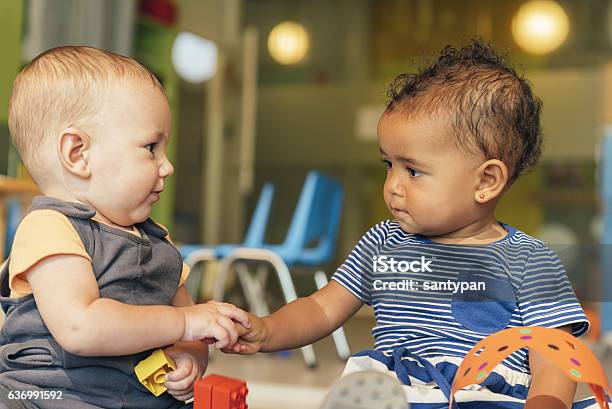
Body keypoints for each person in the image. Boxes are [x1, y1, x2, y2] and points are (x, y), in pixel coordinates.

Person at [229, 41, 591, 409]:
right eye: (389, 165)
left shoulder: (530, 260)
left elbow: (554, 354)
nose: (393, 186)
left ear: (485, 182)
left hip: (484, 397)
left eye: (413, 170)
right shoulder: (383, 243)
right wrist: (268, 330)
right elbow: (322, 309)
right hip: (393, 396)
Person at [0, 46, 250, 409]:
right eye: (151, 148)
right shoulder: (49, 229)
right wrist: (182, 324)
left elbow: (190, 330)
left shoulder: (157, 241)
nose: (167, 167)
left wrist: (188, 358)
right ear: (78, 154)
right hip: (50, 396)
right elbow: (81, 327)